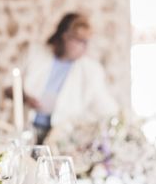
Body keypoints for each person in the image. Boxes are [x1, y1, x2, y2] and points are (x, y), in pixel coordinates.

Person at [20, 13, 117, 144]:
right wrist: (25, 98)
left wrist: (121, 122)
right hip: (26, 128)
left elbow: (105, 107)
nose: (84, 47)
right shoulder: (35, 53)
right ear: (64, 36)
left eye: (86, 42)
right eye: (79, 41)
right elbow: (10, 86)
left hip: (61, 137)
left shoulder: (91, 70)